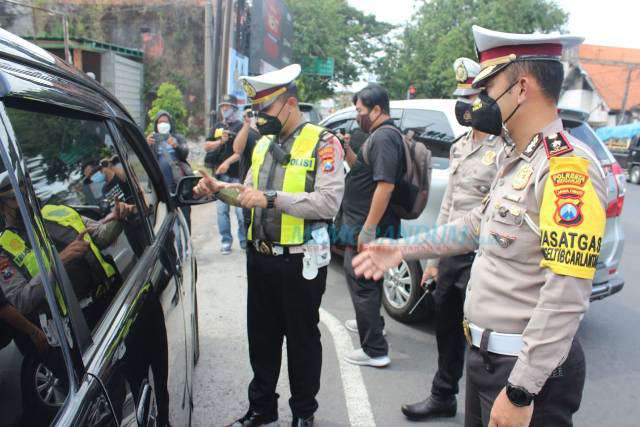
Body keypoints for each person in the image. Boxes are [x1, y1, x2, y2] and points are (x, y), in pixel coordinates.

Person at [352, 26, 606, 427]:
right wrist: (404, 249)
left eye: (488, 90)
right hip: (486, 360)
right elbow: (475, 225)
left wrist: (522, 390)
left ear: (521, 89)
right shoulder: (516, 157)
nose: (480, 102)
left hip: (524, 373)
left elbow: (567, 294)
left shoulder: (564, 168)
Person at [193, 63, 345, 427]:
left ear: (290, 103)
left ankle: (303, 414)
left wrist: (272, 198)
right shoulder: (262, 146)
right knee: (261, 340)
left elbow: (328, 202)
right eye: (255, 111)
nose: (259, 119)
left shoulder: (325, 143)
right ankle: (262, 407)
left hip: (299, 262)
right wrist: (218, 190)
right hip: (260, 259)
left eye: (265, 110)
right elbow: (248, 195)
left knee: (302, 342)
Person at [401, 57, 504, 421]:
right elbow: (449, 205)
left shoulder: (506, 149)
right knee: (446, 330)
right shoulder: (460, 145)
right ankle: (443, 395)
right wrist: (431, 262)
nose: (465, 105)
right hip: (452, 255)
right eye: (461, 96)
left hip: (484, 255)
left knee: (484, 338)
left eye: (472, 97)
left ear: (486, 101)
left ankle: (490, 408)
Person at [339, 84, 405, 368]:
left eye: (360, 111)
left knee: (361, 280)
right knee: (368, 281)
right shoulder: (375, 136)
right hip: (363, 220)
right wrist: (347, 152)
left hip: (368, 223)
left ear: (377, 110)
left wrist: (368, 229)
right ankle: (372, 323)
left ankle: (374, 349)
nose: (357, 117)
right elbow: (363, 171)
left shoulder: (385, 137)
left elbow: (385, 186)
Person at [204, 94, 248, 254]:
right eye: (222, 107)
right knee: (222, 211)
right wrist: (220, 141)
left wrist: (228, 162)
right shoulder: (217, 127)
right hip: (220, 177)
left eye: (227, 107)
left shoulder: (241, 127)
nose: (224, 110)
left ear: (234, 108)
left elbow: (242, 151)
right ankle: (226, 242)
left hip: (237, 176)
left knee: (240, 211)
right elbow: (206, 146)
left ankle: (244, 241)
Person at [146, 110, 192, 228]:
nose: (163, 124)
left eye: (165, 122)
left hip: (179, 183)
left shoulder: (178, 137)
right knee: (164, 218)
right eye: (160, 122)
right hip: (161, 185)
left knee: (184, 216)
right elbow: (147, 161)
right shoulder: (153, 139)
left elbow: (185, 154)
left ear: (170, 123)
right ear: (156, 124)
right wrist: (146, 146)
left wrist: (176, 146)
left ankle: (186, 243)